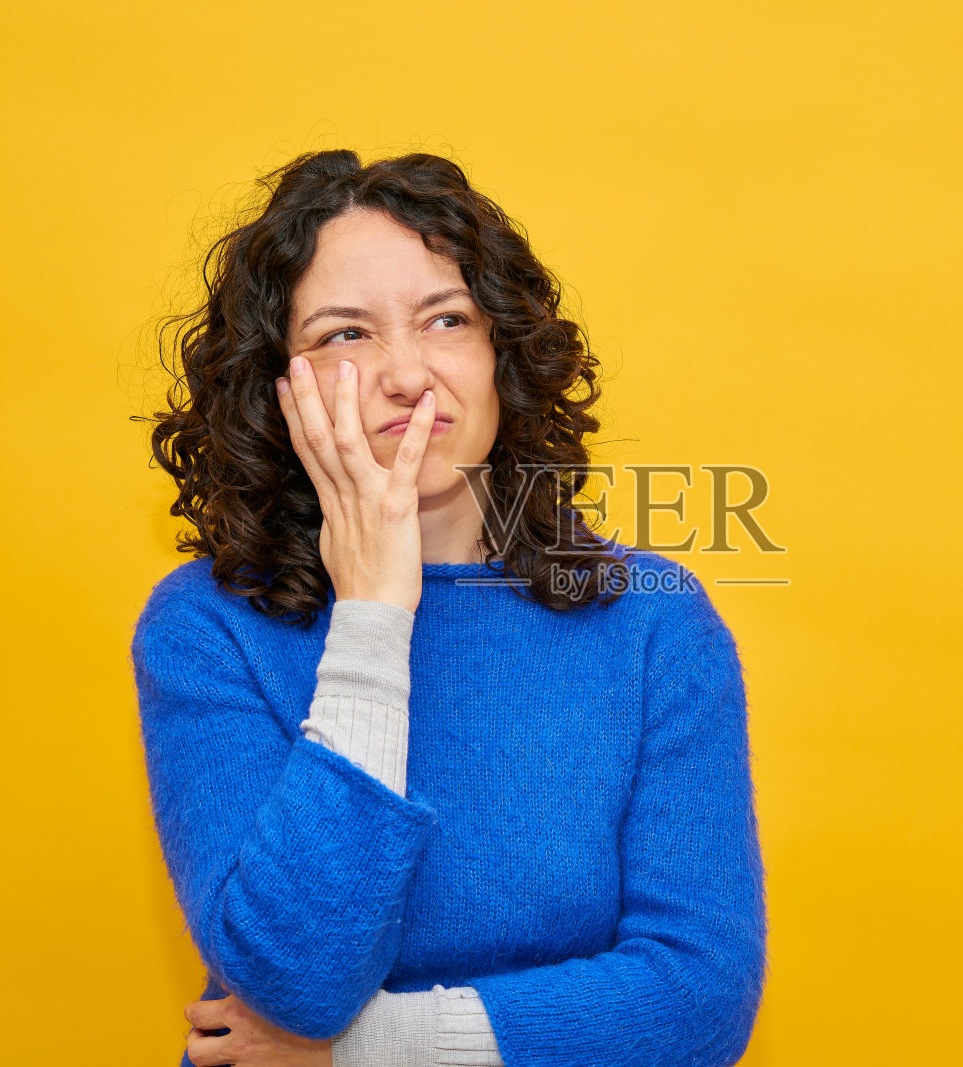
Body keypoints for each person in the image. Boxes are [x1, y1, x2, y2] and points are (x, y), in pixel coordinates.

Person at [129, 148, 766, 1067]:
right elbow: (298, 980)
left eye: (446, 319)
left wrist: (359, 1051)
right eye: (345, 334)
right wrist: (374, 617)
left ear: (500, 349)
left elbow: (699, 997)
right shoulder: (206, 630)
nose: (406, 374)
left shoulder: (653, 627)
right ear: (275, 383)